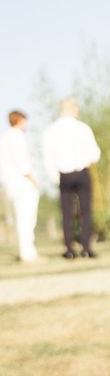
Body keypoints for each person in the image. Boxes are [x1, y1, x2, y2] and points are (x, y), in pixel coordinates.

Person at [43, 98, 101, 259]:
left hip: (64, 175)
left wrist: (55, 177)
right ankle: (86, 248)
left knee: (66, 213)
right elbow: (95, 154)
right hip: (82, 172)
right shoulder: (83, 128)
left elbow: (48, 158)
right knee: (85, 212)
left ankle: (69, 249)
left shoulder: (51, 131)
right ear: (73, 109)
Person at [0, 110, 39, 262]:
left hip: (9, 184)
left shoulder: (4, 137)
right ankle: (28, 252)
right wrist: (33, 180)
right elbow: (23, 163)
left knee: (18, 219)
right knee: (27, 219)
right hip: (22, 184)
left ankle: (24, 250)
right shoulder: (17, 137)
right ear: (19, 121)